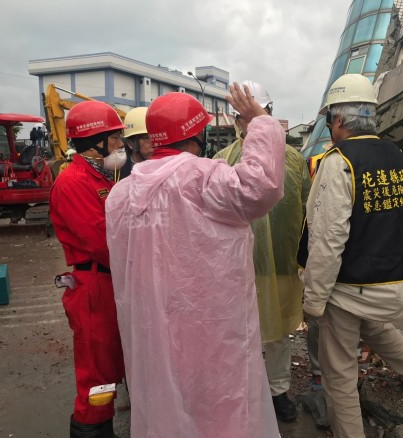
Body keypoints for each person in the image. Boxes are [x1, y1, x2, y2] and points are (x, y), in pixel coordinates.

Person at [106, 85, 284, 438]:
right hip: (210, 329)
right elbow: (261, 184)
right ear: (197, 134)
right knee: (218, 403)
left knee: (164, 399)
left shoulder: (121, 194)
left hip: (152, 326)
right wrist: (261, 123)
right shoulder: (205, 179)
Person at [301, 74, 403, 438]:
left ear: (339, 120)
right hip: (395, 286)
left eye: (329, 120)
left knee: (339, 372)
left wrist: (313, 301)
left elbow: (328, 240)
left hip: (350, 290)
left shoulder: (339, 161)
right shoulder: (398, 156)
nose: (330, 127)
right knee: (376, 327)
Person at [213, 80, 311, 421]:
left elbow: (308, 208)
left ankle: (278, 390)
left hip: (283, 263)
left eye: (257, 114)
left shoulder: (295, 158)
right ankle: (246, 390)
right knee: (241, 333)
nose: (249, 122)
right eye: (245, 117)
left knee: (279, 333)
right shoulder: (222, 160)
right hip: (239, 268)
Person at [49, 100, 127, 438]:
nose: (120, 146)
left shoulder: (98, 177)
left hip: (106, 283)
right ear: (96, 141)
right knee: (98, 373)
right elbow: (103, 243)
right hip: (95, 285)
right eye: (115, 139)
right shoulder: (73, 183)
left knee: (110, 362)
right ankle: (91, 427)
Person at [119, 106, 153, 179]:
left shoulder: (166, 165)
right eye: (146, 138)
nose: (154, 143)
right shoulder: (117, 169)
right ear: (131, 143)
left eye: (155, 137)